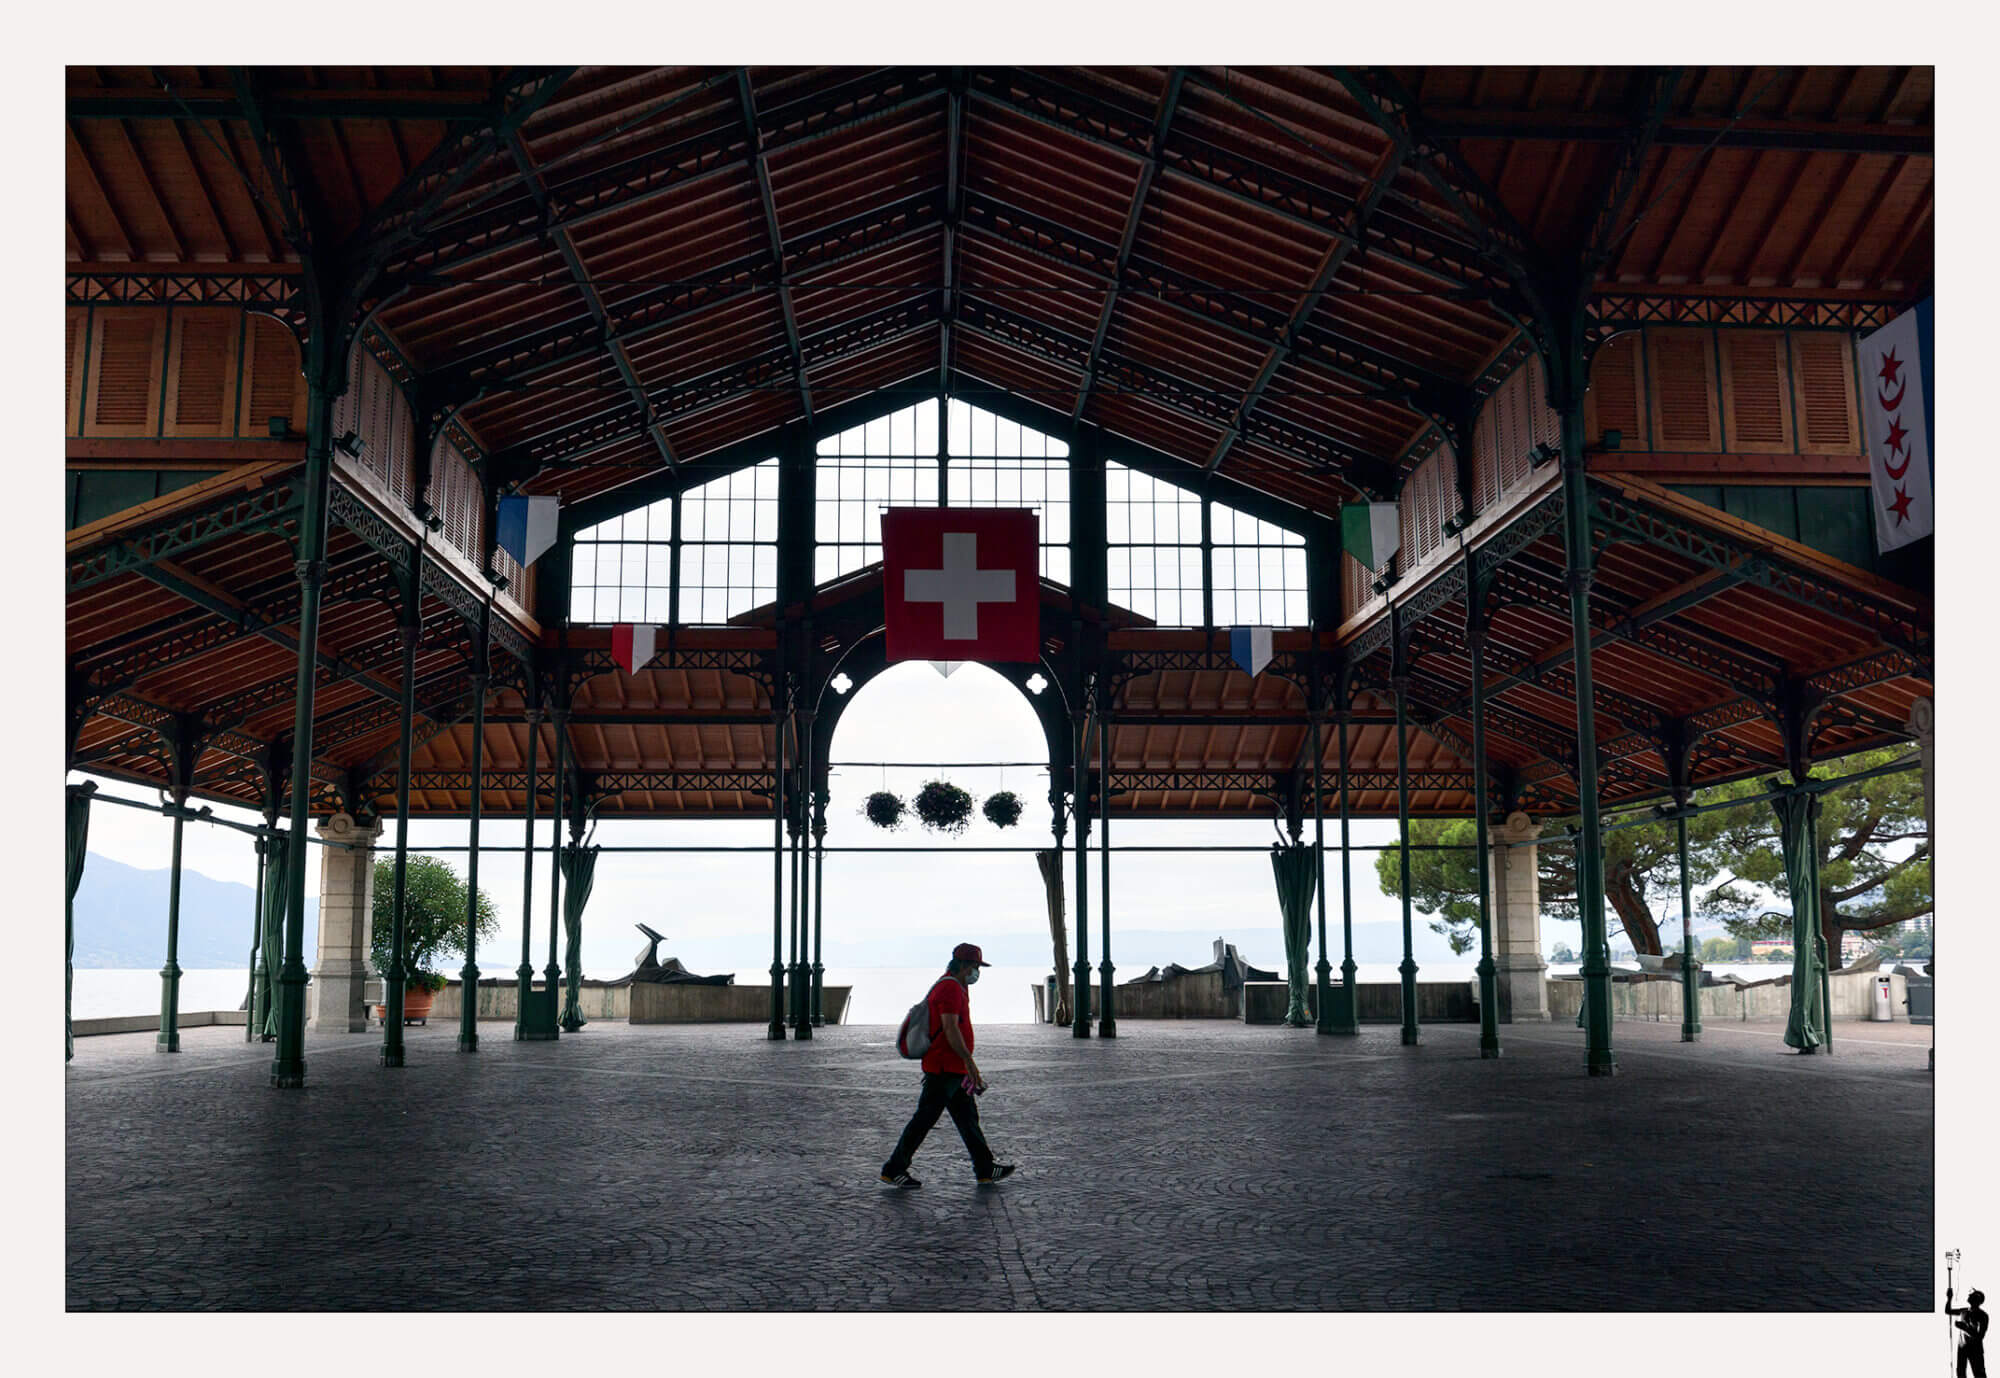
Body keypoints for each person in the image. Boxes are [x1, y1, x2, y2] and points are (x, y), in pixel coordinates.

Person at [879, 943, 1017, 1189]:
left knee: (968, 1119)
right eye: (976, 966)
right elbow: (951, 1029)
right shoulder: (950, 988)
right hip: (944, 1068)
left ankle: (985, 1168)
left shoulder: (955, 986)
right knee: (923, 1120)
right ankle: (894, 1168)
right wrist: (969, 1061)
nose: (977, 972)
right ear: (964, 966)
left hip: (951, 1068)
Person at [1949, 1288, 1989, 1378]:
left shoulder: (1983, 1316)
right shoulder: (1964, 1311)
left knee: (1979, 1375)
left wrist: (1964, 1328)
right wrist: (1949, 1298)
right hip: (1962, 1348)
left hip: (1975, 1350)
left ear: (1977, 1299)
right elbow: (1948, 1311)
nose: (1969, 1295)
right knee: (1961, 1373)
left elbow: (1980, 1337)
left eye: (1972, 1295)